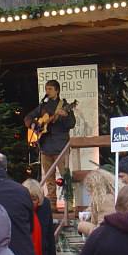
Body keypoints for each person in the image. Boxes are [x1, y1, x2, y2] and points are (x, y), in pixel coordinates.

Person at [24, 80, 76, 208]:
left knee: (65, 176)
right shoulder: (43, 107)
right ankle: (52, 204)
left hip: (60, 146)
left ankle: (69, 203)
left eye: (50, 89)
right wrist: (34, 125)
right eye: (46, 89)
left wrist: (66, 116)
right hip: (45, 146)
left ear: (57, 90)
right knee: (49, 178)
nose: (47, 91)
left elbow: (71, 124)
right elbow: (27, 118)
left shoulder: (65, 106)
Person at [77, 170, 116, 237]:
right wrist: (88, 212)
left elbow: (102, 231)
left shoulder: (104, 200)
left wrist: (82, 226)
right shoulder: (113, 196)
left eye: (90, 189)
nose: (89, 194)